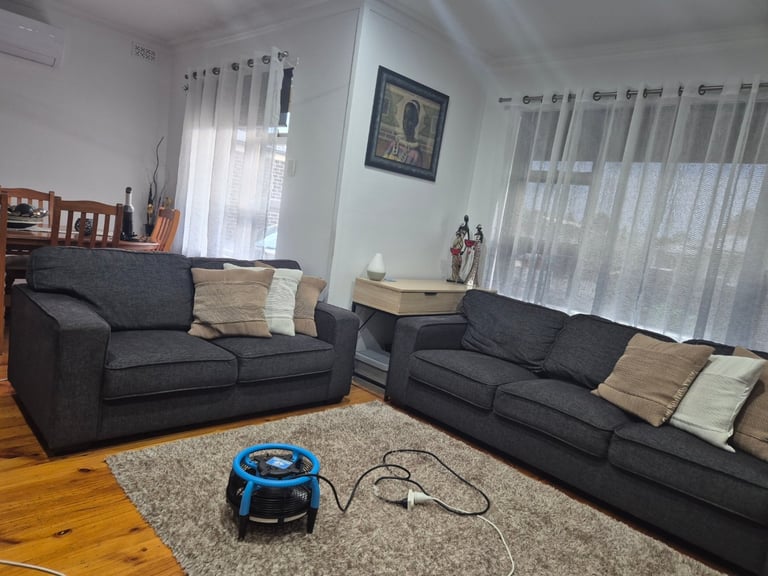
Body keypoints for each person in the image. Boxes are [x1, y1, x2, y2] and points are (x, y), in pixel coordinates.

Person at [383, 99, 423, 167]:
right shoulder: (394, 144)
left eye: (410, 119)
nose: (406, 123)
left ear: (415, 122)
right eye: (405, 118)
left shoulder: (415, 154)